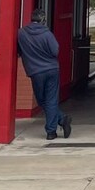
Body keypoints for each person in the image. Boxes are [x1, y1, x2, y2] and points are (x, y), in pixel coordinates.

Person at [18, 9, 71, 140]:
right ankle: (55, 127)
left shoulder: (22, 33)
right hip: (52, 69)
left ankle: (58, 123)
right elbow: (55, 51)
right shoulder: (47, 34)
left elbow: (19, 50)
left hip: (35, 72)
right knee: (51, 100)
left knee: (42, 100)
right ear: (43, 20)